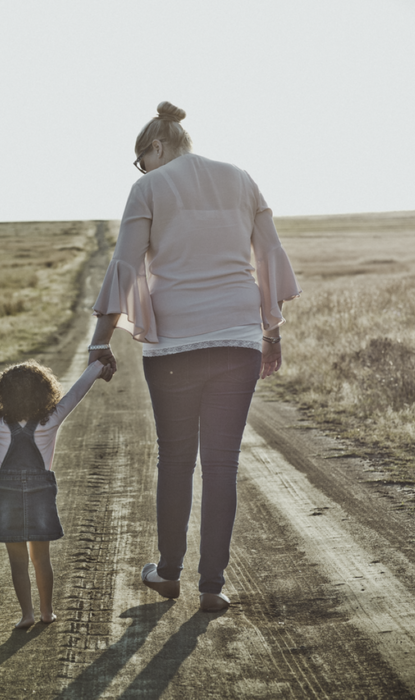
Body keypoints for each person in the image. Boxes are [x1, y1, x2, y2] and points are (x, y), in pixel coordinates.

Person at [88, 102, 301, 613]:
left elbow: (125, 264)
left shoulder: (148, 188)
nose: (142, 170)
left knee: (176, 460)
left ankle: (168, 572)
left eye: (142, 160)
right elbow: (268, 255)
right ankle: (212, 585)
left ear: (157, 146)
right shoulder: (242, 179)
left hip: (174, 347)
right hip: (238, 340)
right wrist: (271, 334)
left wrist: (99, 341)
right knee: (222, 463)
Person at [0, 359, 112, 628]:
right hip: (40, 495)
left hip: (7, 497)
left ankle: (26, 614)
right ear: (45, 392)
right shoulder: (50, 420)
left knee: (17, 561)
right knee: (41, 558)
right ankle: (47, 612)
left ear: (3, 394)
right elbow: (76, 393)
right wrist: (97, 367)